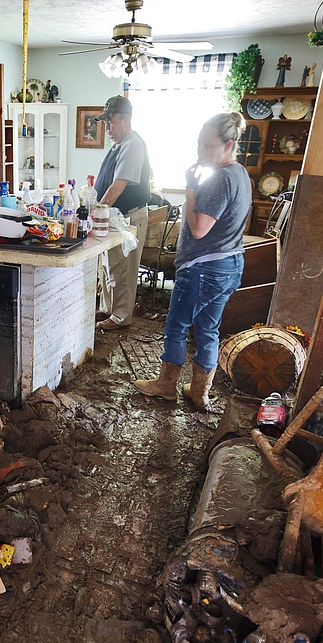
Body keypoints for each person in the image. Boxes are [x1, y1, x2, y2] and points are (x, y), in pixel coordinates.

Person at [134, 112, 252, 410]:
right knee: (208, 329)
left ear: (227, 145)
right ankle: (200, 391)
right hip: (229, 265)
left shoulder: (220, 180)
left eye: (207, 146)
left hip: (204, 268)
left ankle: (165, 385)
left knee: (176, 326)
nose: (200, 152)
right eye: (198, 145)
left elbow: (200, 229)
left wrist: (190, 190)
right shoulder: (240, 174)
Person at [93, 95, 151, 330]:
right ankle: (108, 309)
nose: (107, 127)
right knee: (110, 265)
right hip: (115, 216)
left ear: (125, 120)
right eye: (105, 122)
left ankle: (120, 316)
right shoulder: (119, 145)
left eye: (111, 122)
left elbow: (118, 185)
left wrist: (97, 211)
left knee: (124, 269)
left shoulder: (132, 145)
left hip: (128, 217)